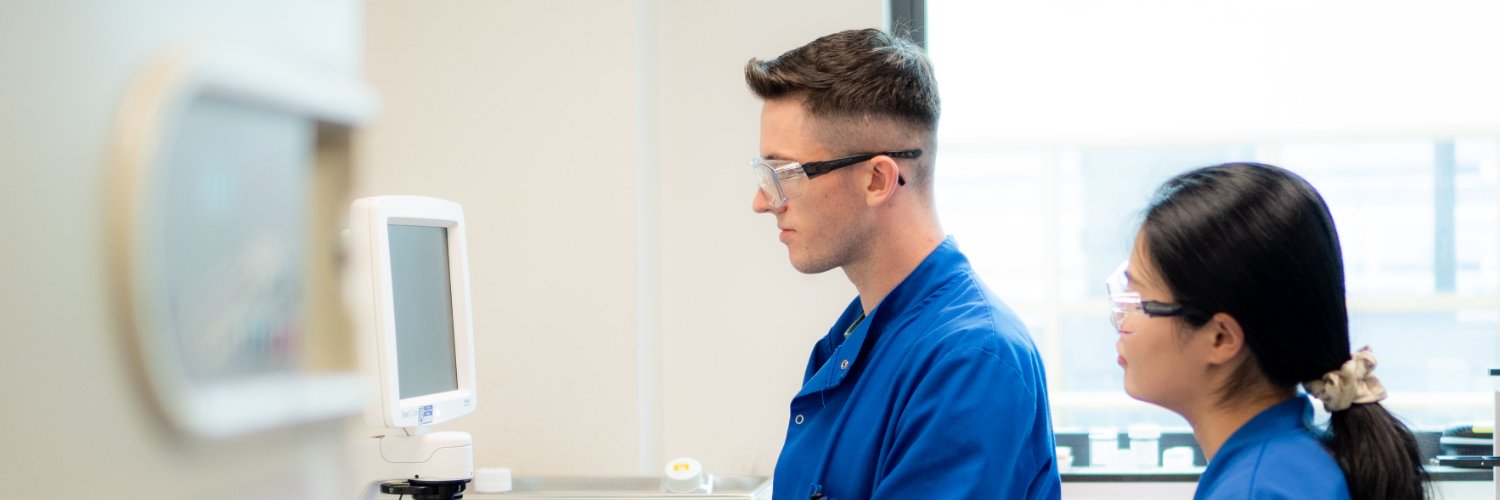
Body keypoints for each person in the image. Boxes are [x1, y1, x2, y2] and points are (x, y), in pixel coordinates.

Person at [745, 28, 1060, 499]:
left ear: (877, 179)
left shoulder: (971, 360)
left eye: (784, 174)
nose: (762, 202)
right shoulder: (855, 338)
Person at [1109, 162, 1427, 499]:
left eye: (1139, 303)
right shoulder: (1293, 462)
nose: (1123, 321)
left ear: (1221, 338)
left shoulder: (1254, 489)